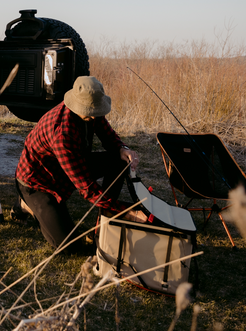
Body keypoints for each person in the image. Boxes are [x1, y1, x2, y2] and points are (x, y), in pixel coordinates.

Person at [14, 75, 148, 253]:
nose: (95, 118)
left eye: (97, 113)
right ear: (76, 105)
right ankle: (24, 205)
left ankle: (105, 220)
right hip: (38, 182)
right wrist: (125, 210)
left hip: (69, 166)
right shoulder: (62, 132)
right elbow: (87, 188)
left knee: (119, 160)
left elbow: (108, 135)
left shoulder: (92, 112)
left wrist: (122, 148)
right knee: (69, 246)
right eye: (90, 114)